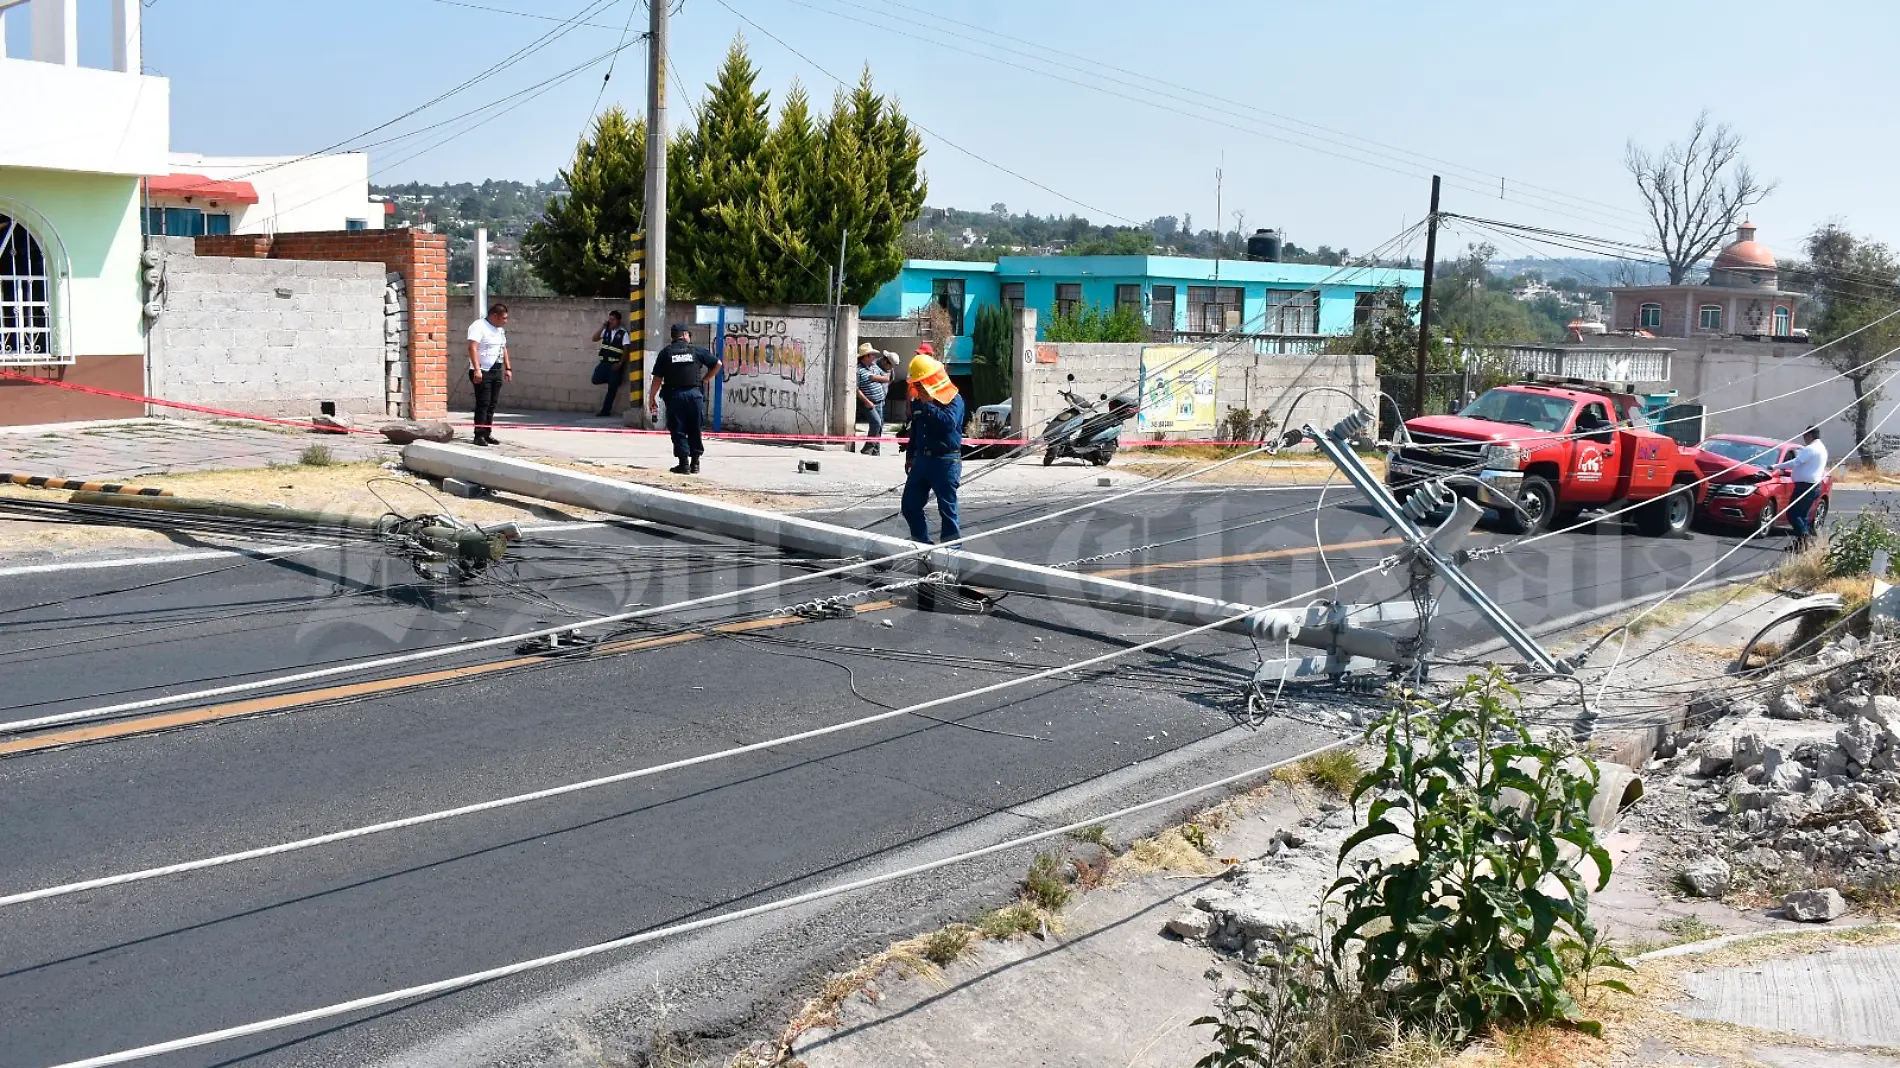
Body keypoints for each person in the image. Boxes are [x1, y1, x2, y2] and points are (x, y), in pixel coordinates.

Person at [899, 344, 964, 544]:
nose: (917, 388)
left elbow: (947, 424)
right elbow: (916, 430)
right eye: (915, 385)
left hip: (945, 461)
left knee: (947, 510)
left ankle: (952, 552)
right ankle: (922, 545)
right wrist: (910, 456)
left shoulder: (954, 400)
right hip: (922, 460)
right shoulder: (918, 401)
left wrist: (928, 405)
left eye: (920, 384)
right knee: (909, 506)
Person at [648, 323, 721, 474]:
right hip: (695, 395)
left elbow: (657, 378)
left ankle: (684, 464)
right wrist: (706, 379)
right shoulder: (696, 351)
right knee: (695, 427)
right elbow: (718, 364)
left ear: (673, 336)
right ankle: (695, 463)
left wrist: (652, 397)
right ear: (686, 335)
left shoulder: (666, 353)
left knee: (678, 429)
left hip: (675, 396)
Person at [1774, 425, 1829, 545]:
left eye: (1805, 436)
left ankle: (1805, 538)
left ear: (1810, 435)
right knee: (1802, 516)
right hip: (1813, 486)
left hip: (1805, 486)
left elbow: (1795, 462)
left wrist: (1776, 466)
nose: (1804, 439)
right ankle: (1801, 544)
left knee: (1793, 514)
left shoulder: (1811, 449)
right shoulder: (1822, 449)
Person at [466, 302, 512, 446]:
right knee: (483, 403)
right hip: (482, 370)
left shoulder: (500, 330)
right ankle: (478, 434)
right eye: (503, 318)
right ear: (494, 316)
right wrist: (477, 369)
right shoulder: (478, 326)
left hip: (496, 370)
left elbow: (503, 348)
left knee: (492, 404)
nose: (506, 321)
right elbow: (472, 347)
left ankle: (487, 433)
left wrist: (508, 368)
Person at [591, 310, 633, 417]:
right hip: (604, 363)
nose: (610, 322)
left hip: (615, 365)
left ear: (618, 321)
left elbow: (626, 350)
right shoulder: (606, 331)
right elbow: (594, 338)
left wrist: (619, 364)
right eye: (609, 320)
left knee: (612, 390)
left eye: (613, 320)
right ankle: (612, 380)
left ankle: (605, 411)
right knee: (595, 379)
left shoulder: (623, 333)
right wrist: (602, 326)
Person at [856, 342, 892, 456]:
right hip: (868, 402)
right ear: (866, 356)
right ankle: (867, 449)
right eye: (872, 355)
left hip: (880, 401)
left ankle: (876, 451)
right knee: (876, 423)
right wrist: (866, 401)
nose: (874, 357)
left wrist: (874, 377)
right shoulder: (858, 370)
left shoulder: (874, 366)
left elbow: (886, 378)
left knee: (880, 426)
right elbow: (856, 389)